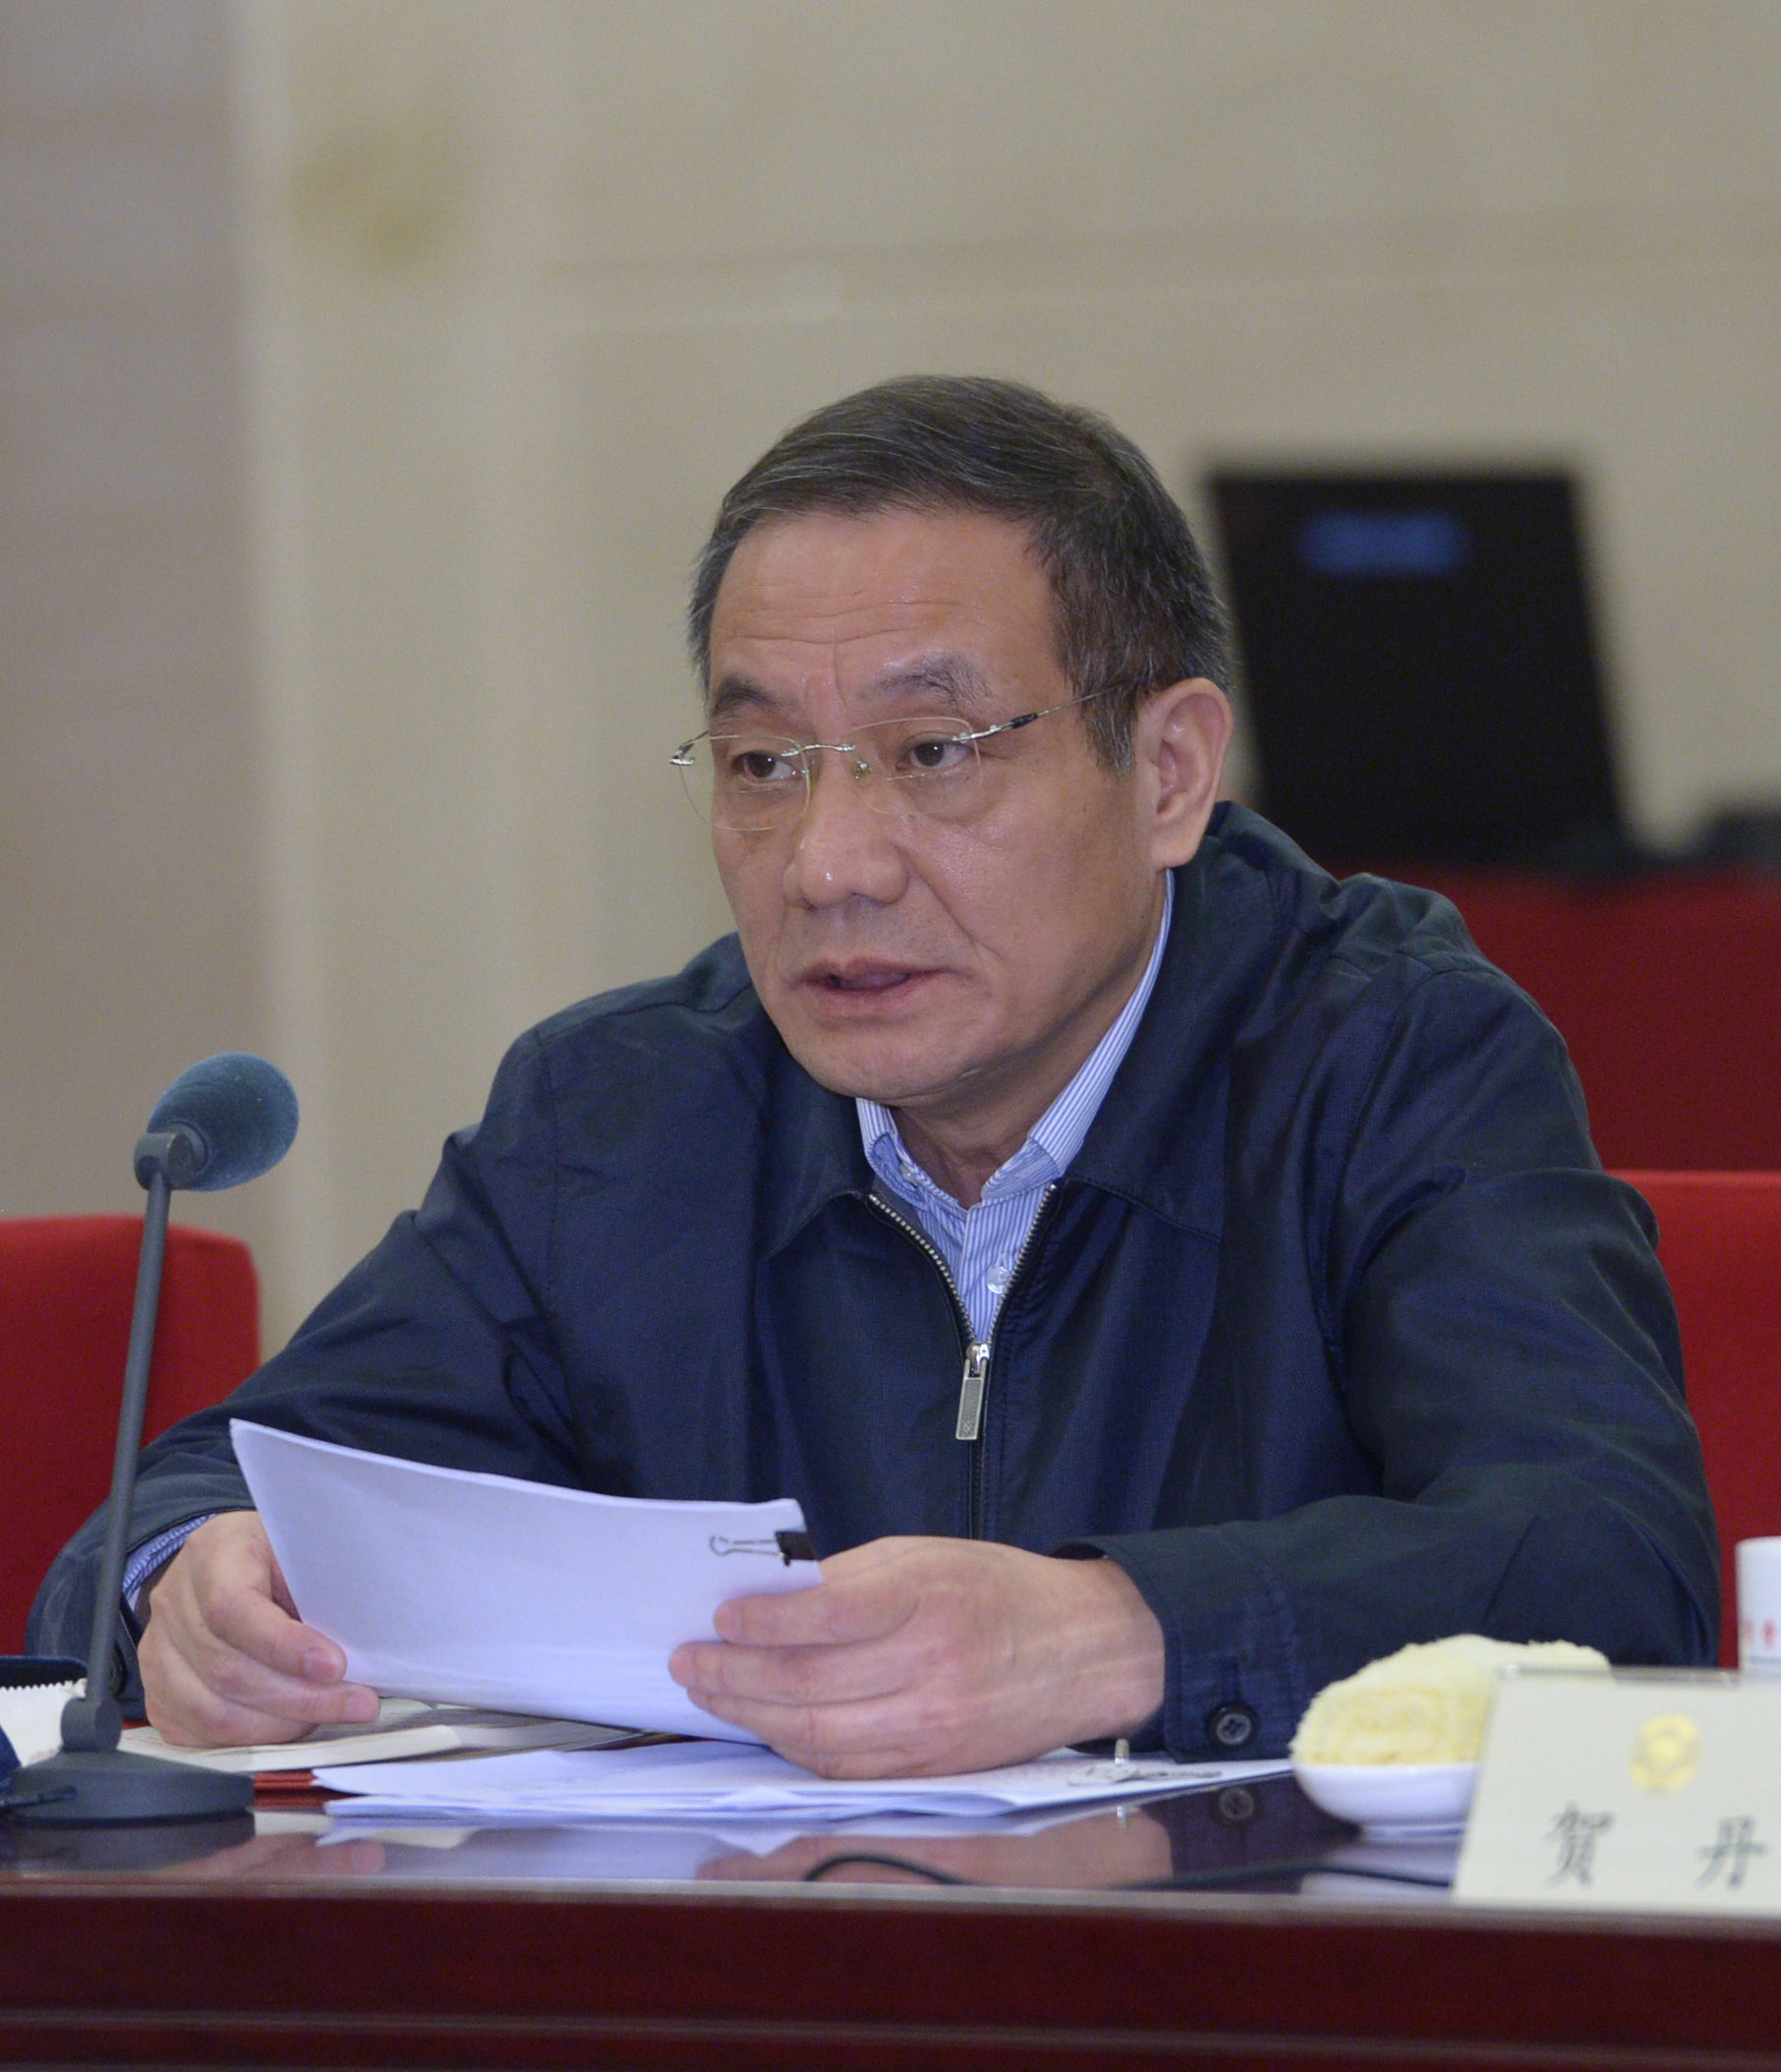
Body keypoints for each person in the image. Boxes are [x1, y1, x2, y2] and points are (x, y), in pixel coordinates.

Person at [32, 376, 1718, 1777]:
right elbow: (209, 1486)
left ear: (1168, 772)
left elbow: (1605, 1551)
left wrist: (1115, 1632)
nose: (830, 862)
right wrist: (192, 1585)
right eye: (764, 763)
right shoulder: (622, 1117)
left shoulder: (1389, 1058)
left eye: (932, 754)